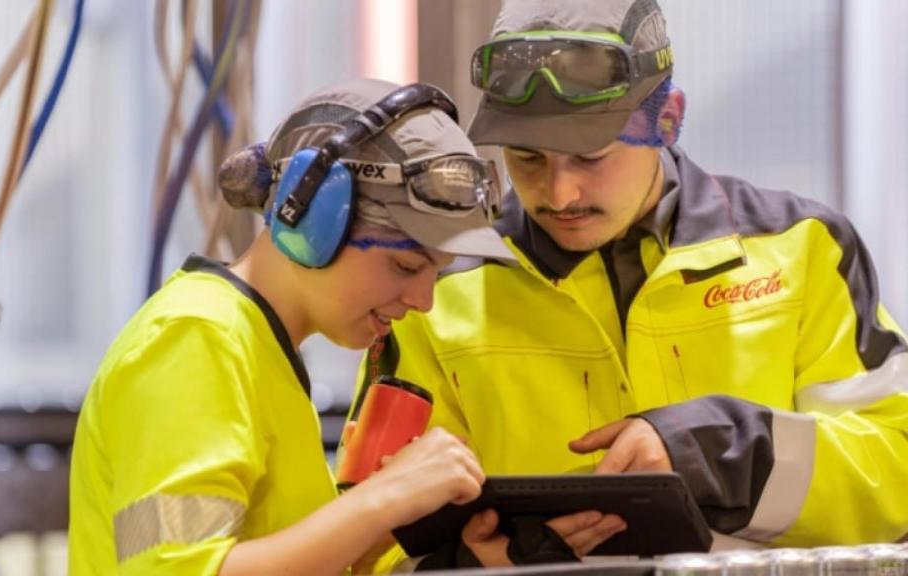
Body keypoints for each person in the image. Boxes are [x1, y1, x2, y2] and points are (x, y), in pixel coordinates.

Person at [348, 0, 908, 564]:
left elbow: (896, 474)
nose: (559, 194)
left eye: (591, 156)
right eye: (526, 157)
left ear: (668, 121)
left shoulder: (803, 249)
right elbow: (359, 534)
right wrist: (464, 565)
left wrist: (724, 450)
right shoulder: (435, 289)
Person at [68, 78, 615, 575]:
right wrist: (385, 499)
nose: (424, 300)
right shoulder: (195, 337)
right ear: (308, 221)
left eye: (436, 273)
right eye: (405, 265)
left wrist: (467, 557)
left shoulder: (263, 352)